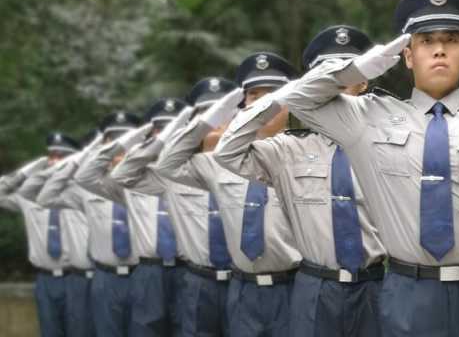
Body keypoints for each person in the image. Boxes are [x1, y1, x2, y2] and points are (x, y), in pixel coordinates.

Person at [278, 0, 459, 337]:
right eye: (425, 41)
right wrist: (357, 69)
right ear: (407, 56)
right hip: (408, 293)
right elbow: (296, 99)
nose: (439, 50)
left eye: (451, 40)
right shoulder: (367, 120)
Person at [214, 25, 388, 337]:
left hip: (377, 287)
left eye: (345, 74)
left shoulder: (391, 142)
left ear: (362, 81)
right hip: (314, 289)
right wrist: (280, 98)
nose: (335, 84)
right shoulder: (288, 149)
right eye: (325, 75)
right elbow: (227, 151)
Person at [153, 56, 302, 337]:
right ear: (242, 105)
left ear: (288, 101)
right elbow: (166, 164)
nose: (261, 104)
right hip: (242, 291)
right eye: (253, 95)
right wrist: (207, 121)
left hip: (293, 288)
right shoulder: (219, 162)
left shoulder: (305, 155)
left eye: (271, 96)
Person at [110, 81, 233, 337]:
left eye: (221, 113)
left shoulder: (257, 162)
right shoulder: (175, 172)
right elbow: (123, 175)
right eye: (207, 115)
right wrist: (166, 135)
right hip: (198, 278)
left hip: (242, 281)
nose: (216, 122)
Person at [75, 105, 180, 337]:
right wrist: (123, 144)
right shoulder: (126, 181)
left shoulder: (192, 175)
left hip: (181, 272)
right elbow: (83, 175)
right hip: (131, 274)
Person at [0, 132, 94, 337]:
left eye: (62, 157)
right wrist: (25, 173)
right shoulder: (30, 195)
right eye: (51, 156)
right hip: (45, 280)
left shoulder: (81, 194)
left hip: (77, 278)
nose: (55, 162)